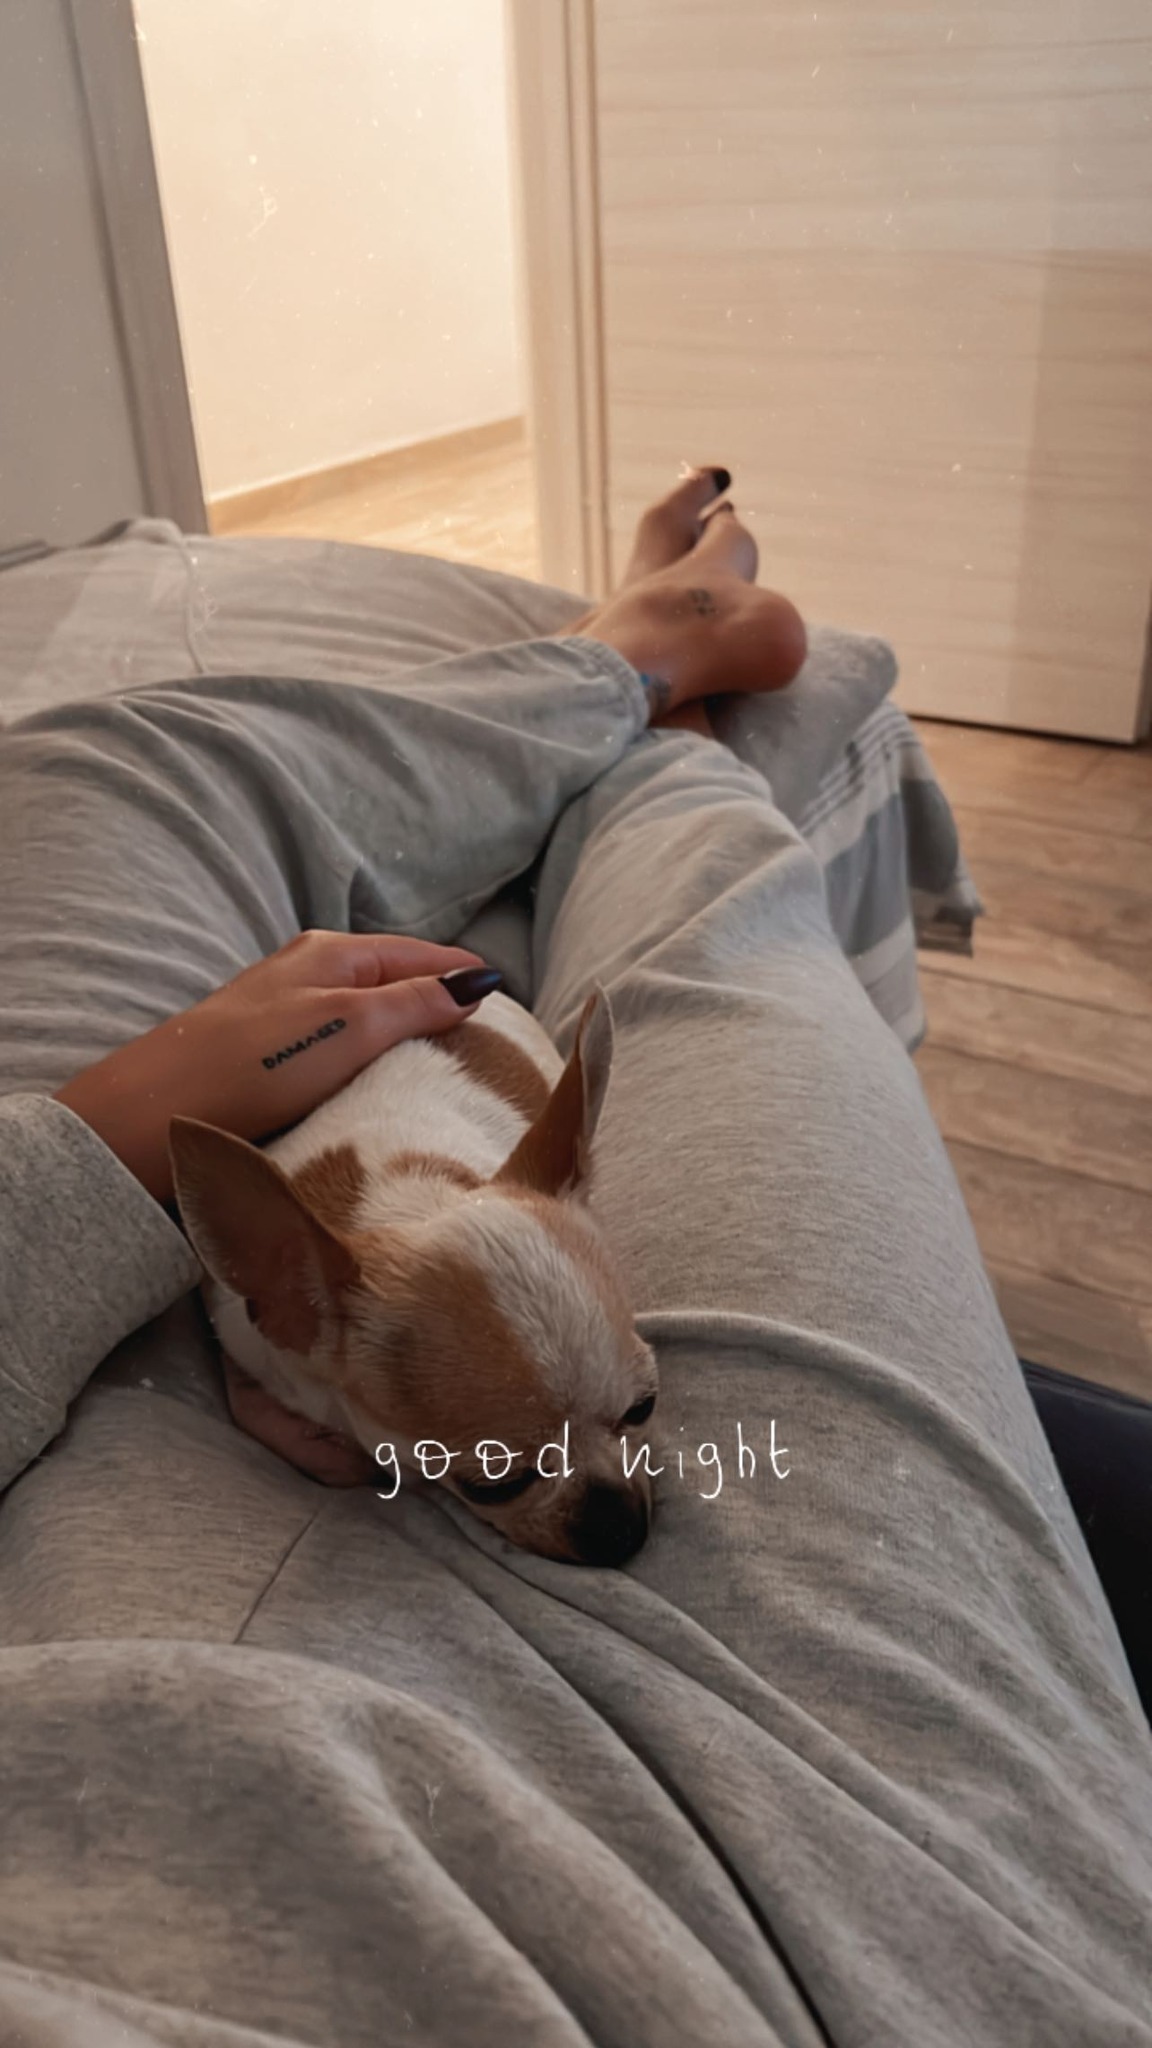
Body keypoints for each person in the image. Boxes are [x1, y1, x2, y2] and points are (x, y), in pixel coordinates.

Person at [0, 471, 1148, 2046]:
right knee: (716, 924)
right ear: (285, 1296)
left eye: (637, 1412)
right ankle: (661, 695)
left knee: (100, 770)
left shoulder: (422, 1266)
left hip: (382, 1165)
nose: (615, 1490)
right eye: (505, 1471)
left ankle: (646, 661)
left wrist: (129, 1169)